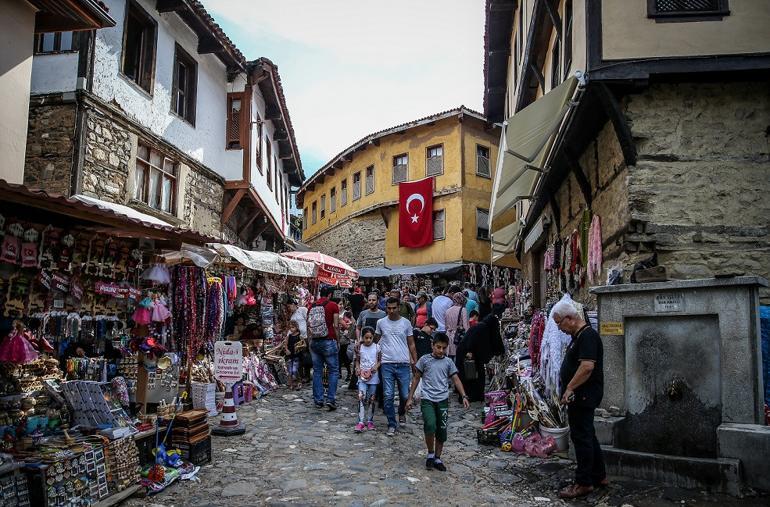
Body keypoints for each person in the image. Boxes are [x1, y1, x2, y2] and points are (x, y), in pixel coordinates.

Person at [552, 300, 606, 499]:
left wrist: (569, 388)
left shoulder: (587, 337)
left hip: (583, 394)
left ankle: (583, 482)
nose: (558, 327)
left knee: (581, 437)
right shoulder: (579, 336)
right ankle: (599, 475)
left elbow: (587, 367)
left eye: (559, 323)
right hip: (581, 394)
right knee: (588, 434)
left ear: (570, 318)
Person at [406, 332, 470, 471]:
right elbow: (416, 378)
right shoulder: (424, 360)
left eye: (443, 348)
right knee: (430, 424)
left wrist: (464, 396)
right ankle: (430, 453)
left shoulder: (448, 362)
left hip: (442, 400)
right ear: (432, 345)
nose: (441, 351)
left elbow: (456, 379)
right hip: (427, 398)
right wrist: (410, 397)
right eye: (438, 347)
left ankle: (438, 457)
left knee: (441, 430)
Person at [375, 297, 418, 436]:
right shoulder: (381, 322)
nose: (391, 311)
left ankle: (401, 412)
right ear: (386, 308)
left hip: (403, 363)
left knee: (405, 395)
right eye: (389, 308)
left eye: (394, 308)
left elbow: (411, 343)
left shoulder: (406, 323)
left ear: (399, 307)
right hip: (387, 363)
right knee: (387, 395)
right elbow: (375, 340)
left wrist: (415, 362)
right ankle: (391, 423)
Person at [455, 314, 504, 402]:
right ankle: (470, 396)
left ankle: (474, 395)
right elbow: (475, 343)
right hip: (468, 354)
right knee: (470, 375)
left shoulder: (482, 327)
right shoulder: (483, 328)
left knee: (474, 375)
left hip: (469, 353)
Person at [309, 286, 341, 410]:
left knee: (317, 371)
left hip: (315, 342)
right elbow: (336, 325)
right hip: (329, 340)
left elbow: (309, 326)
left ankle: (318, 400)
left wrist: (309, 343)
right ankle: (331, 399)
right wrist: (337, 341)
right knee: (333, 370)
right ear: (329, 295)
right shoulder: (333, 305)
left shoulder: (312, 306)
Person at [354, 327, 381, 432]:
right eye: (366, 338)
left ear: (373, 337)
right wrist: (357, 368)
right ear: (362, 337)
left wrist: (376, 367)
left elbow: (379, 360)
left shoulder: (377, 347)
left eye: (370, 338)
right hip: (361, 376)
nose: (368, 340)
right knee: (361, 397)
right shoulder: (359, 347)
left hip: (373, 377)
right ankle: (360, 421)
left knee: (372, 398)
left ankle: (370, 420)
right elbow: (357, 360)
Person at [444, 292, 469, 361]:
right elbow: (466, 327)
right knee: (457, 359)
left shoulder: (447, 310)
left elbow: (446, 327)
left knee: (449, 357)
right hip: (458, 337)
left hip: (448, 335)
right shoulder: (463, 310)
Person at [282, 320, 304, 390]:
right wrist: (287, 350)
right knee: (290, 371)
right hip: (290, 355)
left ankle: (299, 381)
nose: (291, 329)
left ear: (296, 327)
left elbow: (304, 345)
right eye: (290, 327)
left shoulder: (299, 336)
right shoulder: (289, 336)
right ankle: (291, 383)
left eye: (293, 327)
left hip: (297, 355)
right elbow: (285, 344)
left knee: (295, 370)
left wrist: (299, 347)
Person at [339, 310, 354, 382]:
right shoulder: (341, 318)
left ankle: (349, 373)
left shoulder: (347, 317)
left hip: (344, 341)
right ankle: (340, 373)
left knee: (344, 357)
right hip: (339, 340)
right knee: (340, 356)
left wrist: (346, 332)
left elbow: (350, 331)